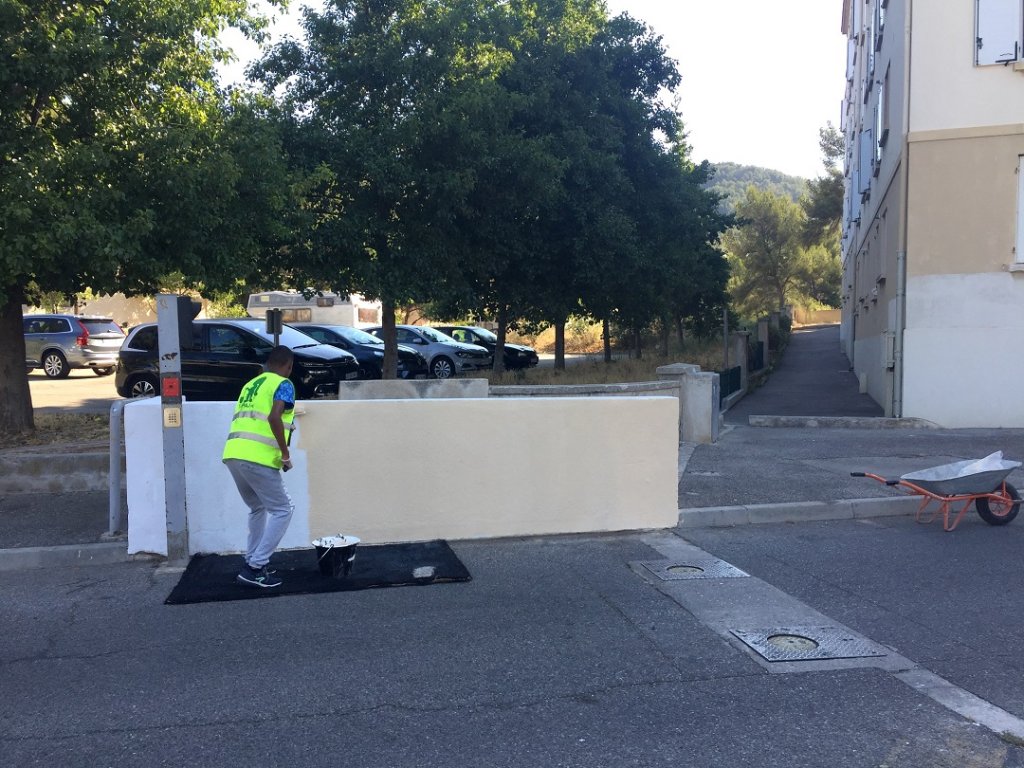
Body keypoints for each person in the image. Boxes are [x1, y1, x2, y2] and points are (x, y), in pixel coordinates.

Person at [222, 345, 297, 588]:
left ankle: (252, 561)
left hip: (234, 454)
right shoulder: (283, 384)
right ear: (288, 366)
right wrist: (285, 455)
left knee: (257, 508)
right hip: (258, 457)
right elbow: (275, 417)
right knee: (283, 509)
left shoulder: (251, 385)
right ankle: (255, 567)